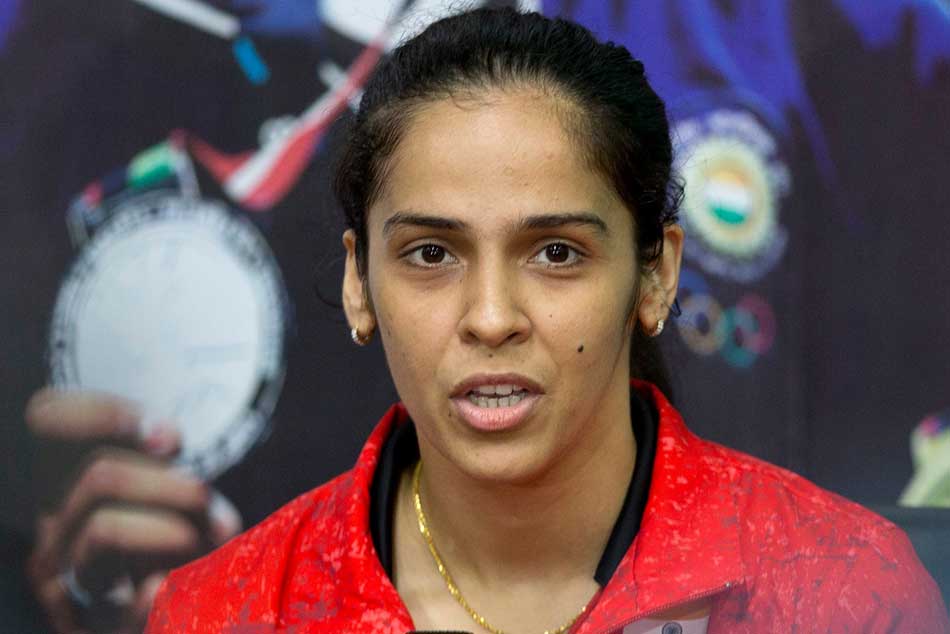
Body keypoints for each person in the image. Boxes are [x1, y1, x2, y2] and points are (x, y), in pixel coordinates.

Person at [107, 7, 950, 633]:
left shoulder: (840, 594)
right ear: (359, 283)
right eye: (431, 253)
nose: (491, 317)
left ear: (655, 275)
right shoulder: (227, 610)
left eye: (555, 253)